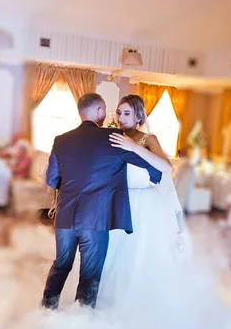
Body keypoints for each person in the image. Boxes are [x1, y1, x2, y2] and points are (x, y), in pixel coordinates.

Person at [41, 93, 162, 309]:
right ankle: (83, 319)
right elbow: (153, 168)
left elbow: (52, 179)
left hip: (65, 217)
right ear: (99, 111)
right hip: (95, 219)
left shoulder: (61, 140)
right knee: (90, 273)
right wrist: (154, 178)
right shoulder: (114, 138)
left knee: (61, 264)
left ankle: (46, 310)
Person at [98, 94, 192, 309]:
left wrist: (134, 147)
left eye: (127, 113)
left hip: (143, 202)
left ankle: (136, 300)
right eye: (119, 112)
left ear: (139, 116)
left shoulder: (148, 139)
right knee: (112, 251)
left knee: (137, 252)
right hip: (116, 198)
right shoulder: (112, 136)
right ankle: (107, 296)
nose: (121, 117)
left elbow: (166, 167)